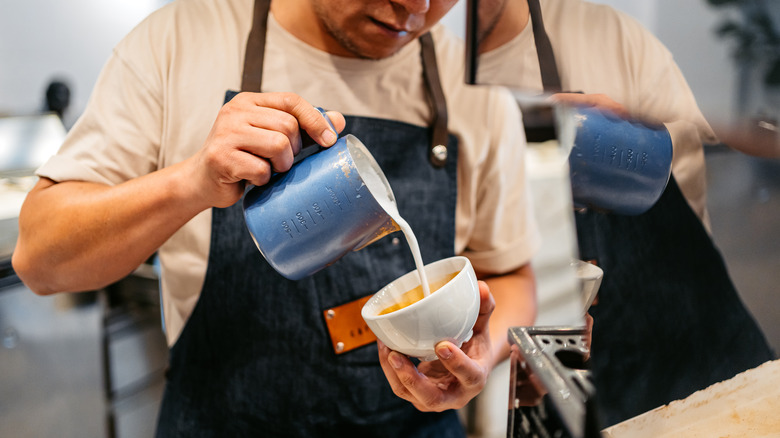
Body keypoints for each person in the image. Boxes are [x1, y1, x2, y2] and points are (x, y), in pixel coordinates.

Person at [12, 0, 541, 436]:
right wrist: (192, 182)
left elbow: (512, 276)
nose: (416, 7)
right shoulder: (181, 41)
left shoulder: (476, 94)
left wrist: (475, 358)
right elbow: (40, 261)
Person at [473, 0, 775, 427]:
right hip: (568, 402)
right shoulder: (402, 93)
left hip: (713, 375)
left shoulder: (611, 40)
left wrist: (687, 119)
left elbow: (760, 130)